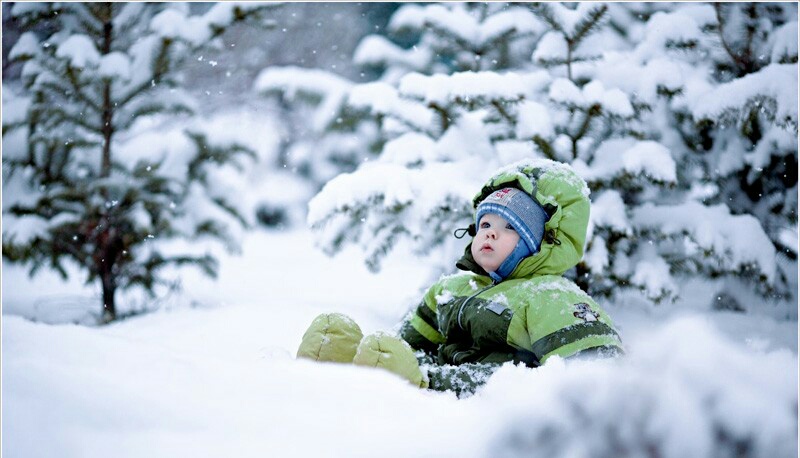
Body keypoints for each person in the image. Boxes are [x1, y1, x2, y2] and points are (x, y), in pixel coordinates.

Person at [296, 159, 623, 395]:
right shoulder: (452, 288)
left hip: (486, 399)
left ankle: (389, 384)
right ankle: (339, 370)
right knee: (345, 339)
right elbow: (405, 345)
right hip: (431, 383)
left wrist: (429, 381)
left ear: (541, 244)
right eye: (485, 225)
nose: (491, 235)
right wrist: (390, 358)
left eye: (510, 228)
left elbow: (598, 373)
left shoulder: (550, 296)